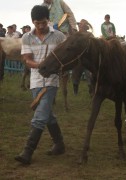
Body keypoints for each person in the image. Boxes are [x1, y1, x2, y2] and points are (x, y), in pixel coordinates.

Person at [15, 5, 66, 165]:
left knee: (40, 117)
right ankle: (59, 144)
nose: (41, 26)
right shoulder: (26, 38)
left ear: (48, 20)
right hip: (35, 81)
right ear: (32, 22)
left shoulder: (59, 36)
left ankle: (27, 152)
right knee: (48, 114)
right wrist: (39, 65)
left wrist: (57, 67)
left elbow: (65, 56)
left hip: (51, 82)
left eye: (44, 23)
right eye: (37, 23)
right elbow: (26, 59)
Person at [72, 19, 93, 96]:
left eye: (81, 24)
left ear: (85, 26)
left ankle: (91, 91)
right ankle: (75, 91)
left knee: (89, 76)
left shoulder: (90, 35)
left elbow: (93, 46)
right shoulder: (76, 35)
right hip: (78, 59)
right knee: (75, 76)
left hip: (88, 59)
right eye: (79, 24)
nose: (79, 26)